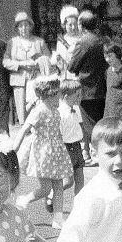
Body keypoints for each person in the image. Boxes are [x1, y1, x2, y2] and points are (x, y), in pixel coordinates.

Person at [14, 76, 73, 229]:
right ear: (45, 96)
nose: (58, 98)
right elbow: (25, 129)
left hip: (57, 151)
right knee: (46, 188)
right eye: (55, 95)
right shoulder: (38, 111)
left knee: (59, 186)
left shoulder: (55, 111)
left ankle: (58, 218)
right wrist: (15, 148)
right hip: (43, 154)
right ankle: (25, 199)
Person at [68, 10, 107, 166]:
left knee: (90, 124)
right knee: (100, 121)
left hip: (87, 88)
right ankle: (100, 152)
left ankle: (96, 155)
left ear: (81, 25)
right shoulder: (101, 40)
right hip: (102, 87)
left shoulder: (83, 41)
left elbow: (72, 66)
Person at [3, 11, 50, 126]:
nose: (23, 28)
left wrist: (38, 62)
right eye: (20, 26)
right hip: (19, 81)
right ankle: (25, 133)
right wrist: (20, 65)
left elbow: (48, 59)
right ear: (17, 28)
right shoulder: (12, 42)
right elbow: (5, 61)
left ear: (30, 26)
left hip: (36, 80)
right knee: (22, 111)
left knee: (38, 107)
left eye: (26, 25)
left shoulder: (39, 42)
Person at [45, 80, 85, 212]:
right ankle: (51, 194)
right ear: (66, 96)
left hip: (77, 146)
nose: (80, 98)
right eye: (77, 95)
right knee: (68, 181)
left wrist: (84, 144)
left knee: (80, 180)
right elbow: (57, 133)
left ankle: (78, 208)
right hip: (65, 148)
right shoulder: (60, 112)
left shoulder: (76, 109)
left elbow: (79, 127)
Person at [54, 5, 81, 81]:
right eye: (70, 25)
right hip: (67, 77)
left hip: (80, 76)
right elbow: (60, 61)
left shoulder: (82, 38)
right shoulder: (61, 41)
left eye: (75, 24)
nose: (73, 27)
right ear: (64, 25)